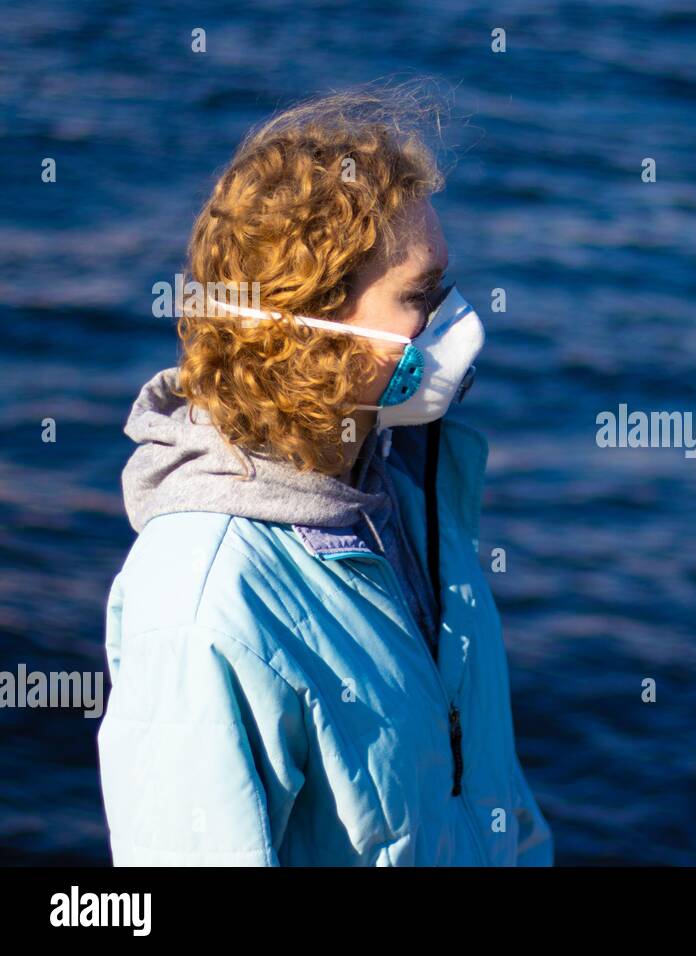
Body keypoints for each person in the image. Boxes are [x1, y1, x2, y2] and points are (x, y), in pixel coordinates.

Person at [95, 88, 553, 866]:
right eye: (420, 296)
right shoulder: (203, 608)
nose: (456, 322)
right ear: (307, 331)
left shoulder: (404, 492)